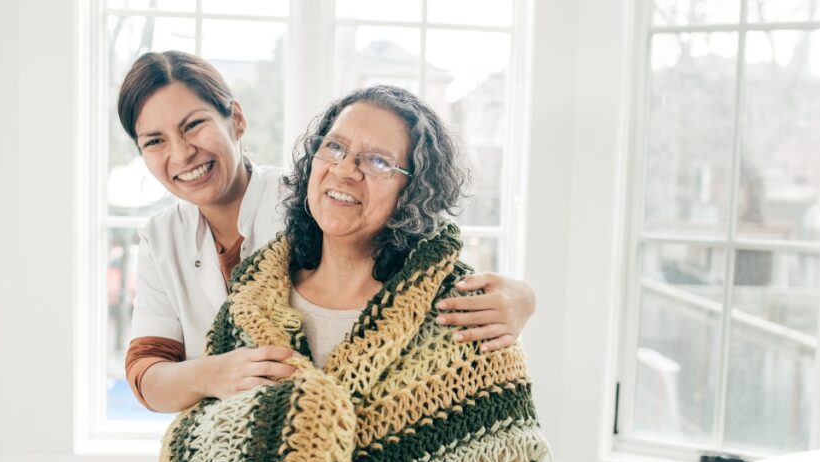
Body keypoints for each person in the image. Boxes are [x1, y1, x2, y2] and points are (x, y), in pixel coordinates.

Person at [147, 85, 548, 462]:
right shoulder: (251, 303)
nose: (345, 170)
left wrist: (526, 297)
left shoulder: (464, 320)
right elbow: (195, 445)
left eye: (377, 161)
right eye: (334, 147)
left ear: (414, 188)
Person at [116, 51, 537, 412]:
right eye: (154, 141)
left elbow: (419, 241)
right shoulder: (161, 237)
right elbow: (145, 374)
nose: (181, 152)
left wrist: (522, 298)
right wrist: (213, 374)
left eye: (193, 125)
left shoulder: (319, 200)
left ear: (237, 120)